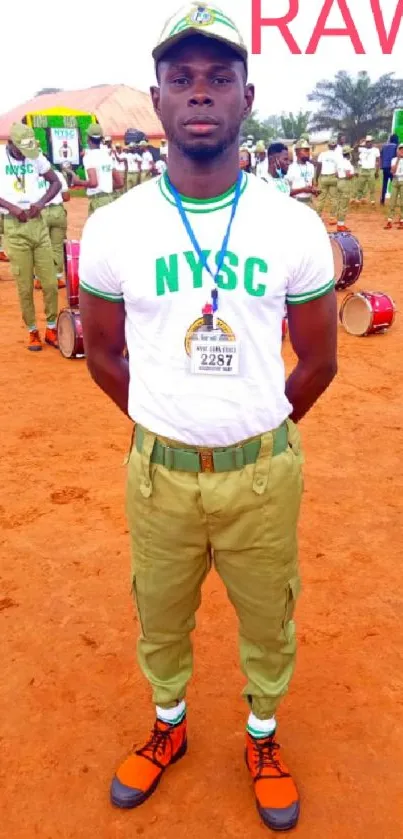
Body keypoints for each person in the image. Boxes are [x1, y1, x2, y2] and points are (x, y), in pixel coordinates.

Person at [78, 4, 337, 833]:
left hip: (263, 475)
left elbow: (321, 359)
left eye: (218, 79)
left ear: (246, 97)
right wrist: (165, 419)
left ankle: (261, 736)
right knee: (160, 609)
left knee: (267, 613)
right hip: (158, 475)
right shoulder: (115, 228)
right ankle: (168, 724)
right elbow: (105, 354)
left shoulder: (292, 226)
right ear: (156, 100)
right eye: (182, 79)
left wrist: (257, 422)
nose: (200, 93)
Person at [0, 122, 61, 351]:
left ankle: (52, 328)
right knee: (25, 286)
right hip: (14, 227)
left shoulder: (35, 157)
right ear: (10, 143)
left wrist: (41, 202)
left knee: (50, 284)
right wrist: (11, 207)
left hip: (38, 224)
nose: (25, 155)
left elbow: (55, 181)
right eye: (21, 150)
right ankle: (32, 331)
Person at [70, 124, 124, 215]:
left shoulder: (88, 157)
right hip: (111, 199)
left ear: (88, 138)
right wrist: (105, 187)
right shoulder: (107, 155)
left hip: (98, 201)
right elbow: (120, 183)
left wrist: (78, 182)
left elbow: (93, 183)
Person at [34, 166, 69, 289]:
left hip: (40, 211)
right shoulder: (58, 174)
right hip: (57, 211)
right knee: (57, 246)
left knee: (40, 246)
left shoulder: (31, 174)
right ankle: (58, 277)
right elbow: (66, 197)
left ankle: (39, 279)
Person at [287, 139, 318, 206]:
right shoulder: (291, 168)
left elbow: (312, 184)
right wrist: (303, 190)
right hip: (296, 203)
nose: (308, 153)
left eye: (308, 150)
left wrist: (314, 190)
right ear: (297, 152)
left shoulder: (311, 166)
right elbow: (287, 192)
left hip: (309, 202)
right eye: (305, 150)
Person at [315, 138, 339, 222]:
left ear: (328, 146)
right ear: (335, 146)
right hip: (333, 177)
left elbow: (319, 167)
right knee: (333, 198)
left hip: (324, 177)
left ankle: (318, 215)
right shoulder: (338, 155)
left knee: (321, 198)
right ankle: (332, 217)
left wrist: (317, 178)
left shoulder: (322, 154)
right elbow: (339, 168)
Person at [355, 136, 380, 205]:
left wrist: (377, 171)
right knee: (360, 185)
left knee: (372, 186)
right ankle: (358, 198)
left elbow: (378, 161)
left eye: (370, 142)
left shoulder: (376, 150)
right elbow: (355, 148)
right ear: (365, 142)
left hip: (371, 169)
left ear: (372, 142)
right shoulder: (362, 149)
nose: (369, 143)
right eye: (367, 142)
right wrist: (360, 143)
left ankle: (372, 200)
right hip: (363, 169)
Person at [335, 146, 355, 232]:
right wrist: (354, 174)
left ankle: (340, 223)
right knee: (344, 205)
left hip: (339, 181)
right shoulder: (347, 163)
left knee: (340, 204)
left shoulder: (339, 162)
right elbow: (348, 175)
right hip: (345, 183)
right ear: (348, 154)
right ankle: (340, 225)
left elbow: (336, 173)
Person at [384, 142, 403, 229]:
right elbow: (393, 171)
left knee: (402, 201)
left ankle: (402, 220)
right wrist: (398, 160)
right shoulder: (394, 159)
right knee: (392, 201)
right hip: (395, 180)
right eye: (400, 149)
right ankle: (389, 220)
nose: (402, 151)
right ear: (398, 150)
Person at [380, 134, 399, 204]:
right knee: (394, 185)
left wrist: (381, 166)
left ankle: (382, 199)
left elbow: (381, 156)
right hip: (392, 167)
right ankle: (394, 201)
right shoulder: (396, 147)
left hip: (385, 167)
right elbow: (397, 156)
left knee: (384, 183)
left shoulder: (384, 146)